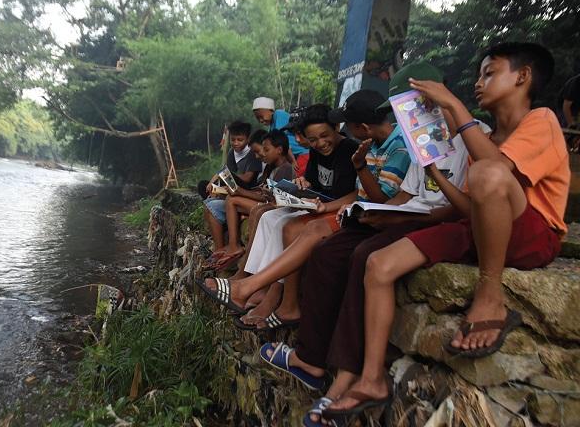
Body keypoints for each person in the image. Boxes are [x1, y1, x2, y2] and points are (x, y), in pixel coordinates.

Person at [325, 42, 569, 418]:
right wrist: (435, 171)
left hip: (534, 237)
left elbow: (495, 173)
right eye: (478, 75)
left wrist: (455, 107)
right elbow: (474, 208)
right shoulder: (484, 142)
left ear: (523, 77)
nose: (479, 83)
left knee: (487, 171)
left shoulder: (541, 121)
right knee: (379, 263)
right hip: (479, 229)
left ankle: (490, 296)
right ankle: (371, 377)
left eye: (490, 73)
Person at [255, 62, 487, 423]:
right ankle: (311, 358)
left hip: (438, 222)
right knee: (329, 252)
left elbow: (463, 209)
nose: (411, 116)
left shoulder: (475, 138)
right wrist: (376, 211)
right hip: (409, 214)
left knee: (364, 256)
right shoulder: (423, 139)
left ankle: (345, 378)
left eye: (416, 104)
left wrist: (401, 207)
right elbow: (407, 196)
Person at [199, 93, 411, 329]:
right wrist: (303, 188)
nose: (319, 143)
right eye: (312, 139)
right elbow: (331, 186)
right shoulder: (369, 147)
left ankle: (269, 295)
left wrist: (349, 178)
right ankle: (254, 284)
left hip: (353, 212)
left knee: (291, 227)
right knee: (269, 217)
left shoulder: (365, 150)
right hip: (336, 208)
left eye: (325, 136)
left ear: (347, 128)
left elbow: (369, 195)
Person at [210, 130, 295, 269]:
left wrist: (241, 192)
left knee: (232, 200)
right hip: (265, 201)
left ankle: (234, 245)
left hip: (272, 206)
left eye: (266, 150)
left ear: (279, 150)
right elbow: (263, 191)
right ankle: (232, 245)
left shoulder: (285, 169)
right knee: (232, 198)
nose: (263, 154)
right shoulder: (271, 167)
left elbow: (273, 199)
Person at [202, 121, 263, 250]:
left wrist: (225, 179)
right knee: (204, 186)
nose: (235, 143)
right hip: (232, 185)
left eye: (240, 140)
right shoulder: (231, 152)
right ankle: (219, 248)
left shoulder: (252, 154)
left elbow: (247, 178)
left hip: (246, 187)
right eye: (233, 139)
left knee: (226, 178)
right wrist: (213, 181)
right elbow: (224, 170)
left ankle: (220, 194)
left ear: (247, 139)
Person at [252, 97, 311, 176]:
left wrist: (292, 161)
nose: (260, 120)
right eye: (257, 118)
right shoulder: (271, 127)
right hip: (294, 156)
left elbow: (283, 140)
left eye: (261, 116)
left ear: (271, 110)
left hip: (302, 153)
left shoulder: (278, 114)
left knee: (297, 178)